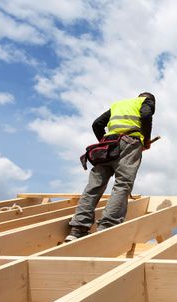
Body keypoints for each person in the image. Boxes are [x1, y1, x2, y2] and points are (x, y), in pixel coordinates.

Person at [64, 92, 155, 242]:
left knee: (94, 185)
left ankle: (78, 229)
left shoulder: (118, 105)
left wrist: (105, 141)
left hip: (107, 145)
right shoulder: (146, 102)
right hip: (129, 144)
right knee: (122, 185)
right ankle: (107, 228)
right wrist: (146, 140)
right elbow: (146, 116)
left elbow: (97, 124)